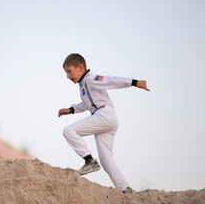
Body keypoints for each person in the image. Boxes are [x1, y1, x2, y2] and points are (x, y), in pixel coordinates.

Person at [58, 53, 150, 193]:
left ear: (80, 68)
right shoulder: (83, 85)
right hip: (105, 120)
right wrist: (71, 110)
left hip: (104, 115)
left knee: (69, 131)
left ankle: (89, 161)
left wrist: (134, 82)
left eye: (69, 71)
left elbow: (110, 80)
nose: (67, 76)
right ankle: (125, 189)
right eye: (66, 73)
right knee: (106, 160)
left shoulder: (90, 78)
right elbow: (86, 104)